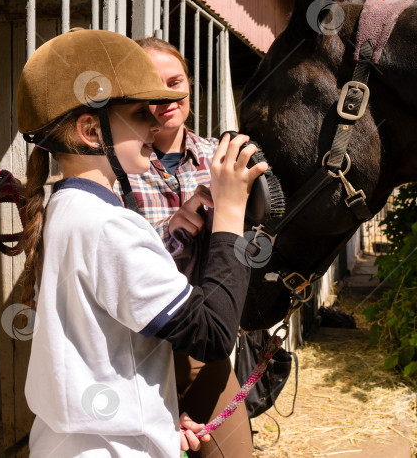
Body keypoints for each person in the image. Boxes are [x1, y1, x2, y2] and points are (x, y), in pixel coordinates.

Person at [16, 28, 267, 456]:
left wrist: (156, 415)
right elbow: (212, 335)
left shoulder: (65, 207)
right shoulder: (109, 225)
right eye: (138, 114)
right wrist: (230, 213)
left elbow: (112, 353)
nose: (155, 122)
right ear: (91, 131)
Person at [123, 36, 254, 457]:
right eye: (152, 89)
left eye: (175, 82)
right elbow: (113, 254)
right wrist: (172, 229)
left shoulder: (220, 156)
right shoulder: (119, 165)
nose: (167, 99)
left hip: (204, 339)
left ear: (190, 84)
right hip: (138, 349)